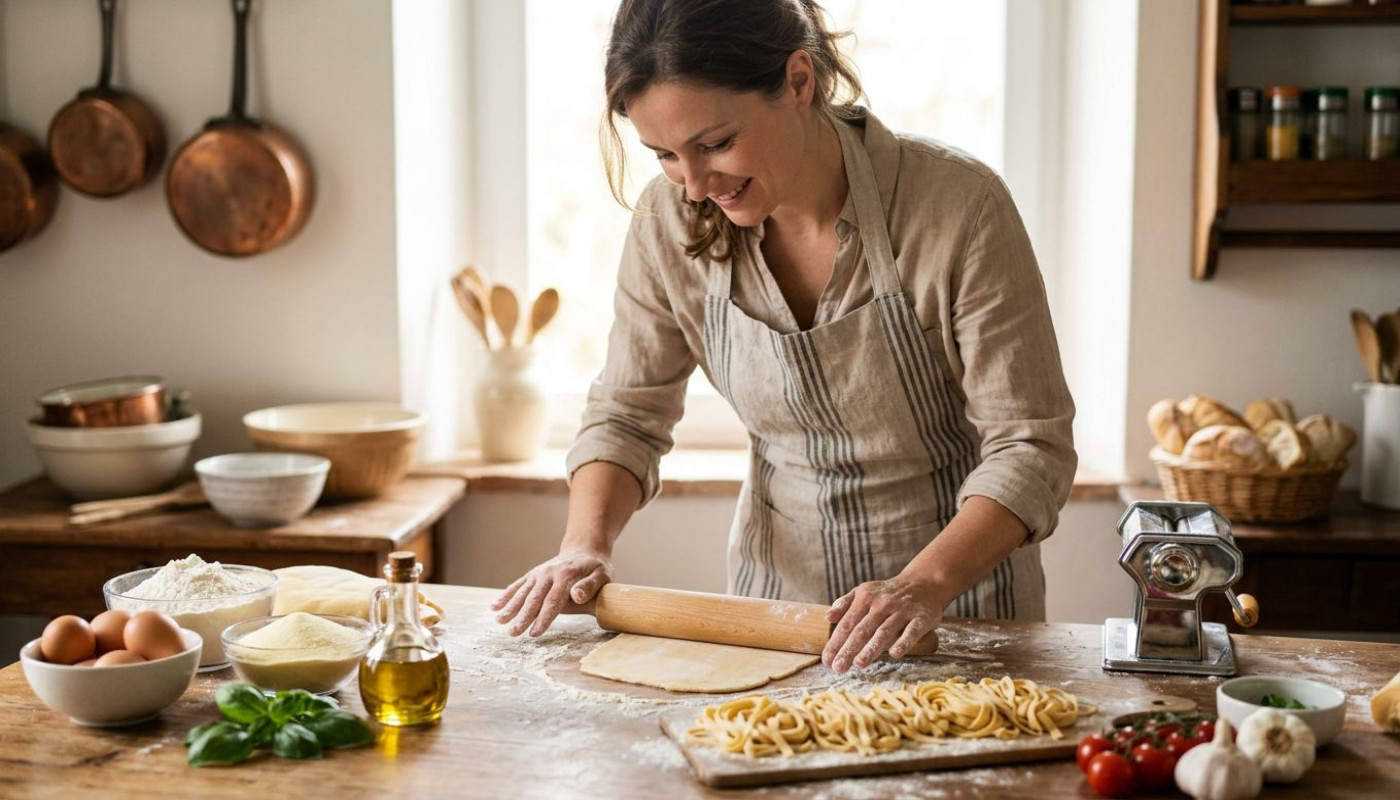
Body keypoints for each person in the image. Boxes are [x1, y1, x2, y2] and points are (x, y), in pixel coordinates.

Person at [493, 0, 1076, 674]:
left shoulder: (956, 206)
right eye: (665, 156)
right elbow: (628, 413)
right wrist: (584, 545)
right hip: (774, 620)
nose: (694, 186)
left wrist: (920, 587)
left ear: (799, 81)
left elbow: (1031, 446)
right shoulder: (668, 222)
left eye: (715, 144)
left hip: (962, 615)